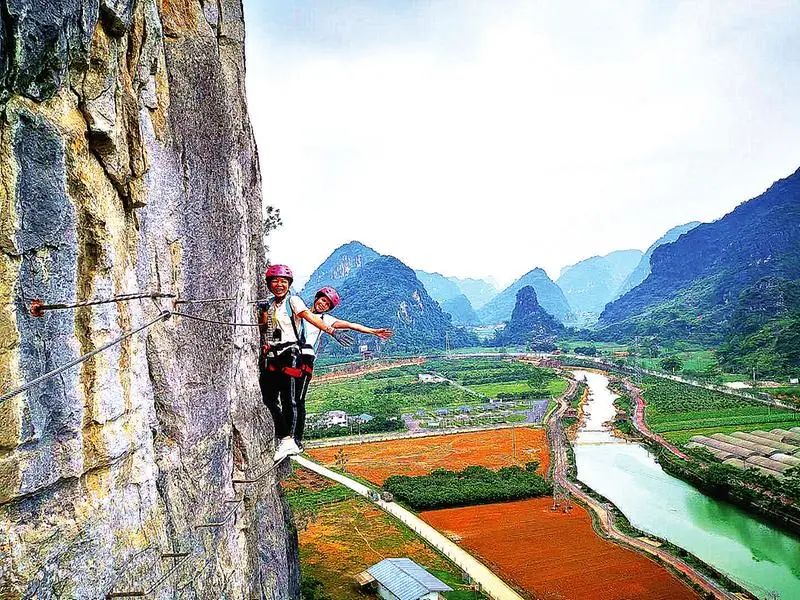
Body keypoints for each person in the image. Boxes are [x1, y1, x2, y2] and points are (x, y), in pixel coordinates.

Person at [258, 265, 353, 462]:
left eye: (283, 282)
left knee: (290, 399)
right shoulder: (269, 304)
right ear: (269, 284)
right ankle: (286, 437)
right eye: (275, 281)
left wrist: (332, 331)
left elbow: (310, 317)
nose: (279, 285)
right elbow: (266, 328)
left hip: (292, 353)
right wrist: (262, 315)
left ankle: (289, 440)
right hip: (273, 355)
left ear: (289, 285)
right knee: (268, 399)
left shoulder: (294, 301)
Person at [292, 286, 393, 450]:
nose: (323, 304)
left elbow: (351, 325)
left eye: (328, 304)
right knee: (286, 396)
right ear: (317, 298)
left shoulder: (327, 320)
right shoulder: (301, 309)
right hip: (289, 355)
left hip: (305, 359)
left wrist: (373, 331)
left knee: (299, 398)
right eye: (323, 300)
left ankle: (296, 438)